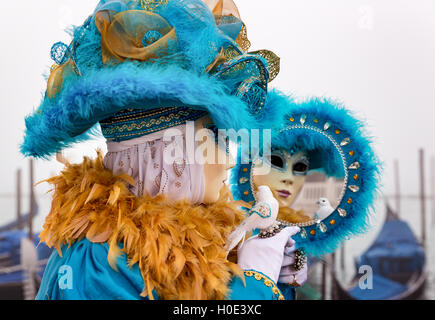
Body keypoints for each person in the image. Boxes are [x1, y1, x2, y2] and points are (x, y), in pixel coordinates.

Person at [22, 0, 308, 300]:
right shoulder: (95, 262)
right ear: (163, 149)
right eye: (216, 137)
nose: (227, 161)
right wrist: (256, 286)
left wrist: (276, 278)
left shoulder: (207, 238)